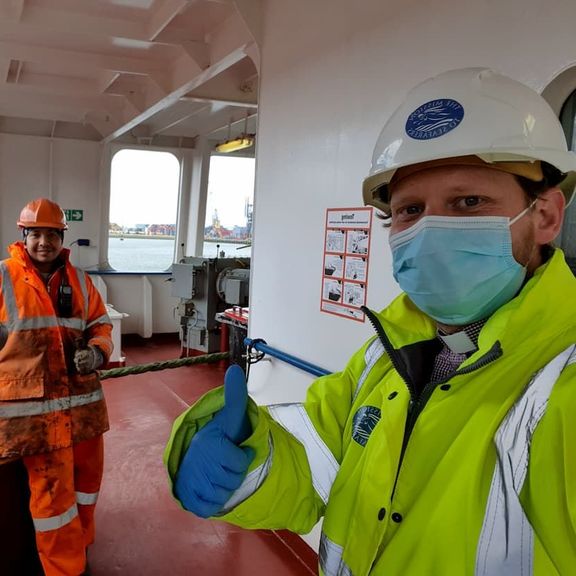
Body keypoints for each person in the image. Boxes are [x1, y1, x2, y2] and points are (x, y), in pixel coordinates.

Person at [164, 68, 576, 574]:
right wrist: (246, 458)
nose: (430, 230)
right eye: (409, 210)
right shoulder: (388, 352)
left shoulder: (563, 383)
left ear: (546, 216)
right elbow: (315, 462)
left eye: (468, 202)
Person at [0, 198, 113, 576]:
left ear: (62, 237)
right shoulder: (3, 279)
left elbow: (100, 325)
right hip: (31, 418)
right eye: (36, 234)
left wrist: (97, 353)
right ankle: (65, 570)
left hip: (83, 410)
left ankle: (80, 550)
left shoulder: (81, 281)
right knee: (53, 501)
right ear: (23, 236)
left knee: (86, 488)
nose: (44, 242)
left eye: (52, 234)